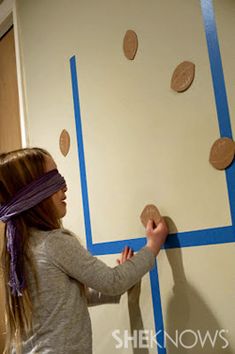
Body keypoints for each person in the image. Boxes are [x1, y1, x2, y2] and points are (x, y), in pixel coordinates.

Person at [0, 147, 168, 354]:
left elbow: (65, 297)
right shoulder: (54, 243)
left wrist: (126, 276)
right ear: (33, 195)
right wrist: (152, 246)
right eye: (53, 180)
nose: (65, 187)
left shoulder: (18, 251)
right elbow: (111, 282)